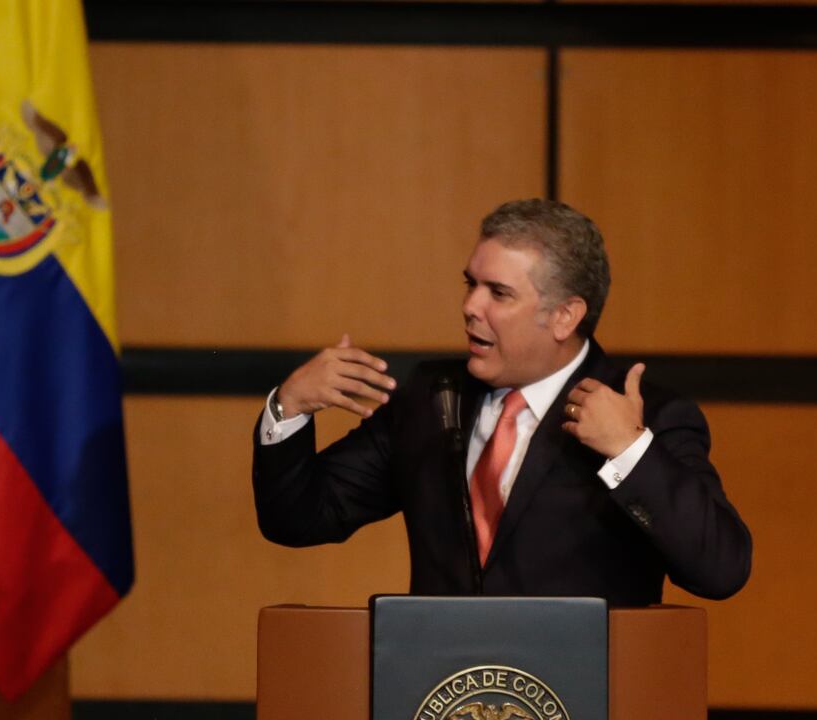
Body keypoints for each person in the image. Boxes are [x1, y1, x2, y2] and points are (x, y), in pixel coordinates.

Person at [252, 199, 751, 605]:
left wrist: (629, 450)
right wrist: (289, 407)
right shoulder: (431, 398)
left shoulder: (649, 415)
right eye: (471, 284)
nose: (470, 306)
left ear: (565, 316)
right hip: (445, 684)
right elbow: (299, 518)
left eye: (499, 293)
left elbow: (721, 570)